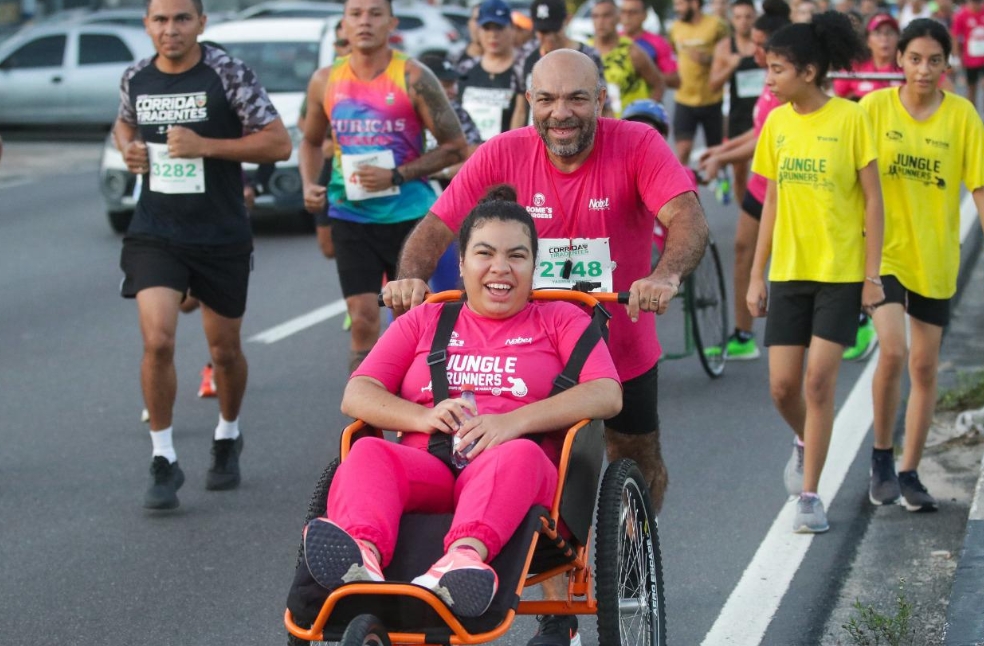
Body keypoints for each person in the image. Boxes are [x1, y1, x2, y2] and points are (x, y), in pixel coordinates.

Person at [382, 49, 708, 646]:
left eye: (577, 99)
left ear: (600, 102)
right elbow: (434, 230)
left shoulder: (635, 144)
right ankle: (556, 613)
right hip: (528, 351)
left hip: (621, 343)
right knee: (545, 468)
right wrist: (411, 276)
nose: (562, 113)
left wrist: (664, 276)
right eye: (548, 100)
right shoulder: (504, 152)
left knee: (637, 457)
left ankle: (627, 547)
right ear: (529, 101)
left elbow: (687, 219)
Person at [290, 185, 622, 621]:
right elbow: (358, 392)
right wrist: (422, 417)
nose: (500, 268)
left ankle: (462, 560)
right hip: (428, 467)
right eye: (484, 253)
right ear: (462, 264)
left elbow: (607, 393)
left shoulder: (561, 319)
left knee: (517, 455)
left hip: (513, 469)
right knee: (369, 450)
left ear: (533, 265)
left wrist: (514, 422)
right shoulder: (426, 318)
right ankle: (361, 558)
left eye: (517, 256)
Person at [115, 0, 292, 510]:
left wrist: (204, 145)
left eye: (181, 19)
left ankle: (228, 433)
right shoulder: (136, 77)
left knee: (225, 352)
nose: (170, 30)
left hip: (219, 234)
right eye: (160, 20)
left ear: (201, 23)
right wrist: (129, 147)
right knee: (159, 341)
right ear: (147, 25)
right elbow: (124, 124)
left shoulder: (227, 72)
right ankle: (163, 458)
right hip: (155, 231)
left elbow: (277, 142)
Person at [747, 10, 884, 533]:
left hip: (842, 273)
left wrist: (872, 276)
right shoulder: (777, 124)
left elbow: (874, 201)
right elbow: (772, 206)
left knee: (819, 382)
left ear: (808, 72)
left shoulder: (851, 119)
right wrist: (757, 275)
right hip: (791, 272)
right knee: (783, 387)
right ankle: (806, 441)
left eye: (778, 69)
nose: (770, 79)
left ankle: (810, 495)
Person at [298, 0, 468, 375]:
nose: (364, 22)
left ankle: (419, 399)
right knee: (361, 320)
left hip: (408, 218)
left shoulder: (413, 76)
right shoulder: (325, 80)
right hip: (350, 216)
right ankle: (365, 423)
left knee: (413, 320)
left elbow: (456, 147)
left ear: (390, 22)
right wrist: (310, 183)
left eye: (375, 13)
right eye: (356, 13)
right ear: (343, 23)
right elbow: (310, 142)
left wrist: (397, 175)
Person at [860, 19, 984, 511]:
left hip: (935, 256)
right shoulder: (872, 110)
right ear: (899, 62)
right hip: (883, 254)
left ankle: (910, 472)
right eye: (915, 59)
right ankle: (881, 457)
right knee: (892, 351)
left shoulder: (963, 117)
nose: (924, 69)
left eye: (935, 60)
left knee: (925, 365)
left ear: (948, 64)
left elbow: (978, 186)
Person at [698, 0, 791, 361]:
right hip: (760, 185)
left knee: (783, 266)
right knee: (742, 250)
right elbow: (756, 132)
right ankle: (742, 335)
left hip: (785, 193)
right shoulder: (769, 81)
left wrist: (720, 156)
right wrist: (720, 150)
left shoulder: (786, 86)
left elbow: (761, 141)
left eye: (760, 44)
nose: (753, 51)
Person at [508, 0, 610, 129]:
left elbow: (604, 106)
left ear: (566, 21)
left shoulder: (589, 56)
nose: (549, 38)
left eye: (554, 30)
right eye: (543, 32)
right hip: (537, 135)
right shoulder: (524, 56)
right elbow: (520, 109)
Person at [708, 0, 763, 203]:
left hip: (764, 113)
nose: (743, 22)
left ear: (755, 18)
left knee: (766, 171)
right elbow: (713, 84)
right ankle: (745, 211)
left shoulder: (764, 45)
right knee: (740, 173)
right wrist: (730, 66)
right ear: (732, 19)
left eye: (748, 16)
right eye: (738, 17)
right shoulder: (724, 47)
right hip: (738, 116)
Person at [668, 0, 731, 164]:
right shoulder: (675, 27)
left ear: (694, 3)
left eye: (680, 4)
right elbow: (674, 52)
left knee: (717, 154)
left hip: (711, 99)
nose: (677, 9)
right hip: (684, 99)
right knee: (682, 151)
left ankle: (721, 188)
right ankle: (684, 188)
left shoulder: (717, 25)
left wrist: (709, 59)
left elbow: (729, 53)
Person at [457, 0, 522, 142]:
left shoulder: (523, 70)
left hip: (507, 153)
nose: (493, 35)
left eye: (499, 27)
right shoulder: (464, 69)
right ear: (478, 30)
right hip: (471, 157)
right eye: (487, 28)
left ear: (512, 28)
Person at [590, 0, 666, 112]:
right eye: (595, 16)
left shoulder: (632, 51)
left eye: (606, 16)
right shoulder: (586, 52)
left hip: (629, 124)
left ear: (618, 18)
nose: (600, 21)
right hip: (600, 125)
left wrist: (645, 116)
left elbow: (658, 85)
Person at [619, 0, 681, 91]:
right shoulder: (612, 40)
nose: (626, 16)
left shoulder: (658, 42)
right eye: (623, 12)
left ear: (644, 15)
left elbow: (675, 80)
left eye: (633, 12)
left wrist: (648, 75)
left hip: (648, 102)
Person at [952, 0, 984, 109]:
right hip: (971, 60)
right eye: (974, 2)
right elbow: (955, 36)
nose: (977, 5)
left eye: (979, 2)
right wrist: (956, 57)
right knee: (972, 88)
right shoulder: (961, 15)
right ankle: (972, 114)